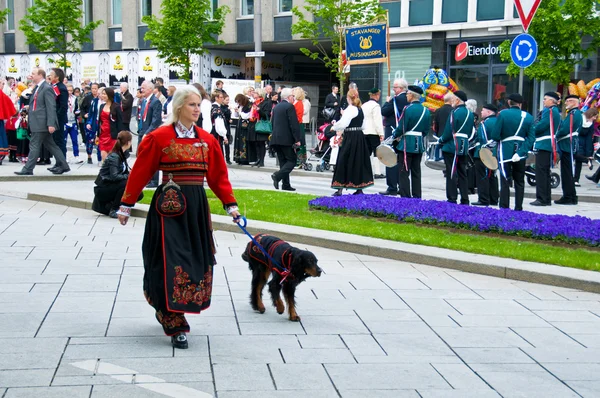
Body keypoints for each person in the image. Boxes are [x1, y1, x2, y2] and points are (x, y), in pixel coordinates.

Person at [116, 85, 240, 349]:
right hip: (167, 209)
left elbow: (218, 177)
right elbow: (141, 171)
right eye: (192, 105)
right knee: (169, 260)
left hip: (195, 209)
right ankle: (174, 321)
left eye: (199, 105)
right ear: (179, 107)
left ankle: (175, 309)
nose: (197, 110)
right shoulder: (159, 137)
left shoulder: (207, 141)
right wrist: (126, 204)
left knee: (194, 260)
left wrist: (231, 205)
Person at [14, 68, 70, 175]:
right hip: (39, 122)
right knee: (51, 145)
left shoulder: (46, 88)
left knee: (34, 145)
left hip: (42, 123)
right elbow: (39, 104)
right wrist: (29, 106)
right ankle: (64, 165)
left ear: (40, 75)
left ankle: (28, 169)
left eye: (33, 74)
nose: (31, 76)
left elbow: (51, 107)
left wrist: (51, 123)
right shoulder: (39, 87)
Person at [490, 94, 534, 211]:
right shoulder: (528, 117)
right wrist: (521, 152)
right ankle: (518, 207)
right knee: (519, 181)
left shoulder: (503, 114)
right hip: (520, 152)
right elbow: (530, 138)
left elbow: (495, 135)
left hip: (505, 151)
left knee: (505, 180)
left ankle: (504, 207)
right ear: (520, 104)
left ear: (509, 102)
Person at [331, 88, 374, 196]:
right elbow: (364, 125)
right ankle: (359, 188)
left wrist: (333, 127)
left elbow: (343, 123)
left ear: (348, 98)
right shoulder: (360, 109)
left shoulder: (350, 109)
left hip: (350, 137)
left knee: (343, 160)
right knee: (358, 161)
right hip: (359, 137)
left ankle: (339, 188)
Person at [393, 85, 430, 198]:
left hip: (406, 144)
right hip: (418, 144)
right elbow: (426, 130)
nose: (406, 95)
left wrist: (395, 135)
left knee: (404, 172)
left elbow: (402, 127)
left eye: (408, 93)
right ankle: (417, 195)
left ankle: (405, 196)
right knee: (416, 172)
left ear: (412, 95)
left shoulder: (407, 109)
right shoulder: (426, 110)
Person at [92, 131, 140, 218]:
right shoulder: (115, 156)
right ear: (128, 142)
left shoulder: (122, 154)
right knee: (126, 184)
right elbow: (114, 176)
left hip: (112, 186)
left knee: (138, 193)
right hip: (103, 188)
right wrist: (128, 176)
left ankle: (115, 205)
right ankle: (114, 209)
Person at [438, 91, 474, 205]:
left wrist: (441, 140)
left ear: (458, 100)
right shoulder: (470, 113)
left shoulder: (454, 113)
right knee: (463, 173)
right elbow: (469, 131)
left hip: (452, 145)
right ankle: (465, 198)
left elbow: (449, 131)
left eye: (453, 99)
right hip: (464, 145)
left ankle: (452, 197)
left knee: (451, 172)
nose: (452, 101)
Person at [531, 92, 561, 206]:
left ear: (552, 101)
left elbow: (542, 126)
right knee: (545, 173)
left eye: (545, 99)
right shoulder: (555, 112)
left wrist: (532, 129)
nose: (543, 101)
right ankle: (546, 198)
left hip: (544, 144)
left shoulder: (548, 111)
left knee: (541, 172)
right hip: (549, 144)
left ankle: (542, 198)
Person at [380, 78, 409, 195]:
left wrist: (387, 101)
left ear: (401, 88)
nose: (393, 89)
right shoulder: (409, 98)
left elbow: (384, 111)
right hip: (404, 133)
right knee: (401, 160)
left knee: (390, 158)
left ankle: (392, 187)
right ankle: (401, 186)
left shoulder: (395, 100)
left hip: (392, 131)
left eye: (395, 87)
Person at [270, 88, 302, 191]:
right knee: (292, 160)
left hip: (276, 138)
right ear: (289, 97)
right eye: (293, 96)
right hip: (286, 139)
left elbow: (273, 122)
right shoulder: (289, 107)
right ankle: (277, 176)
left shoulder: (276, 107)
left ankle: (286, 184)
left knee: (283, 162)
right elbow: (293, 124)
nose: (294, 98)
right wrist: (297, 139)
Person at [555, 94, 583, 205]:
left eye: (568, 101)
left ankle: (568, 196)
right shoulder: (575, 113)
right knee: (568, 172)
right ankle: (571, 196)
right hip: (569, 145)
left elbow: (564, 129)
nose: (566, 103)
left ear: (574, 102)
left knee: (567, 173)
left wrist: (556, 135)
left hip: (567, 146)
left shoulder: (573, 114)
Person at [471, 104, 499, 207]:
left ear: (489, 112)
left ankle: (483, 199)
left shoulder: (485, 124)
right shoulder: (497, 121)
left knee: (482, 176)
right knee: (493, 176)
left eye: (483, 110)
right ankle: (494, 198)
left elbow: (482, 138)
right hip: (494, 153)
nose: (481, 112)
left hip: (483, 153)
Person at [139, 80, 163, 187]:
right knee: (144, 158)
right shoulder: (144, 101)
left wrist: (147, 133)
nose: (141, 90)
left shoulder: (155, 102)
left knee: (152, 158)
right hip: (142, 132)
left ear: (150, 89)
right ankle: (147, 179)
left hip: (150, 134)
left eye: (143, 88)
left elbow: (156, 121)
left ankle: (154, 181)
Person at [361, 88, 385, 179]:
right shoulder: (376, 106)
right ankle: (377, 172)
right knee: (377, 153)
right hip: (373, 132)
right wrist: (381, 133)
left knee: (366, 153)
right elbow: (377, 121)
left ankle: (364, 171)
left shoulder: (364, 105)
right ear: (376, 95)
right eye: (378, 95)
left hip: (364, 131)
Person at [98, 87, 125, 161]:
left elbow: (120, 122)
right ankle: (105, 172)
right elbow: (100, 121)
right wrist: (97, 135)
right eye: (102, 94)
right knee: (103, 157)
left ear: (109, 95)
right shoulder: (101, 106)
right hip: (103, 134)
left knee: (112, 158)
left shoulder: (116, 107)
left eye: (104, 94)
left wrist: (120, 137)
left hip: (112, 135)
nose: (102, 96)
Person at [48, 68, 68, 159]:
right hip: (53, 118)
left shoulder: (61, 88)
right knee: (55, 141)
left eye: (51, 75)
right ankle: (58, 162)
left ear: (57, 77)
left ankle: (62, 162)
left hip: (58, 119)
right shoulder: (53, 86)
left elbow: (63, 106)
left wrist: (56, 118)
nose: (49, 76)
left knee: (59, 141)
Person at [83, 83, 102, 165]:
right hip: (93, 122)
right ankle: (89, 155)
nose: (95, 90)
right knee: (90, 140)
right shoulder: (93, 100)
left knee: (100, 142)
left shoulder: (107, 102)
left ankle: (100, 159)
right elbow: (90, 112)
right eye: (93, 88)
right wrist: (88, 121)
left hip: (101, 123)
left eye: (96, 89)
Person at [251, 88, 270, 167]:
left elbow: (266, 115)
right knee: (256, 143)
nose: (253, 94)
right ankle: (258, 159)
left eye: (255, 92)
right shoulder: (255, 102)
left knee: (261, 143)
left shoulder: (266, 103)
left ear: (259, 94)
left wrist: (258, 110)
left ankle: (262, 161)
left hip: (262, 125)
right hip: (255, 124)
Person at [64, 84, 83, 164]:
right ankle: (64, 157)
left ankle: (76, 156)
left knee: (75, 140)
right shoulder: (63, 98)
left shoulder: (75, 98)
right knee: (63, 141)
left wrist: (77, 113)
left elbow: (76, 109)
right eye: (68, 90)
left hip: (73, 121)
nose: (69, 92)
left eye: (71, 90)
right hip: (65, 121)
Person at [233, 93, 253, 165]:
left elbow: (246, 116)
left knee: (243, 142)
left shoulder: (249, 105)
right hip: (239, 126)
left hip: (245, 127)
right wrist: (236, 112)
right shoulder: (240, 106)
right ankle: (238, 157)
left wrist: (240, 111)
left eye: (239, 102)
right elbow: (237, 115)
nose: (238, 103)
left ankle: (244, 158)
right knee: (239, 142)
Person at [293, 87, 307, 168]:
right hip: (298, 123)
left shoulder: (298, 103)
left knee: (298, 141)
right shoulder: (298, 102)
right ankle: (299, 160)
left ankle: (299, 161)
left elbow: (297, 116)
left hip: (298, 124)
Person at [222, 93, 233, 165]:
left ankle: (228, 158)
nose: (228, 101)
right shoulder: (221, 107)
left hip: (227, 126)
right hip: (223, 126)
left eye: (228, 100)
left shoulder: (227, 107)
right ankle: (222, 158)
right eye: (226, 100)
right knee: (222, 142)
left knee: (227, 143)